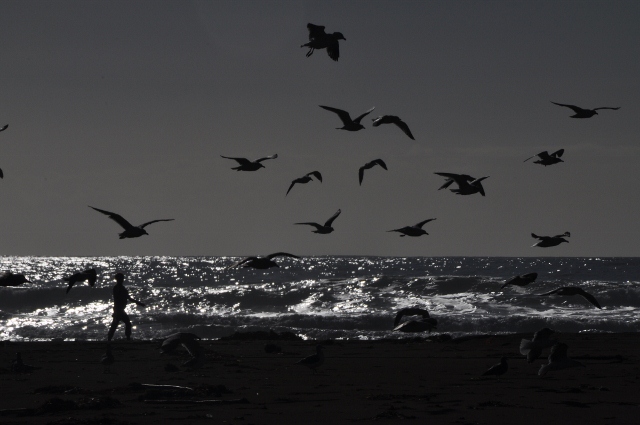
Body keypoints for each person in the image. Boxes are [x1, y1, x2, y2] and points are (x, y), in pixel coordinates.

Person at [107, 272, 146, 341]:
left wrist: (138, 303)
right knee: (126, 323)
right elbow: (127, 298)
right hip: (119, 309)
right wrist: (139, 303)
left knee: (116, 324)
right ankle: (127, 338)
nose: (123, 279)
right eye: (122, 278)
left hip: (118, 309)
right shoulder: (119, 288)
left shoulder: (117, 288)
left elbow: (126, 298)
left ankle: (110, 339)